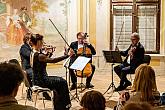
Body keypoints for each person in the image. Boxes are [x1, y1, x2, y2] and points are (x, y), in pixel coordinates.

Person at [30, 34, 71, 110]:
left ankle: (59, 106)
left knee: (58, 83)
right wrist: (67, 56)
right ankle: (65, 106)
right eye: (42, 41)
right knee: (63, 82)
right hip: (42, 81)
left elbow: (44, 60)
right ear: (38, 42)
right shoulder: (39, 55)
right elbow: (53, 60)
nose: (43, 43)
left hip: (37, 80)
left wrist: (49, 53)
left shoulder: (33, 53)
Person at [19, 32, 33, 100]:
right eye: (32, 39)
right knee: (35, 74)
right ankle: (31, 89)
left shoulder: (31, 47)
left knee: (41, 71)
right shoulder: (23, 47)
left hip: (31, 67)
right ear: (27, 40)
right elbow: (29, 55)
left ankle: (42, 89)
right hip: (26, 69)